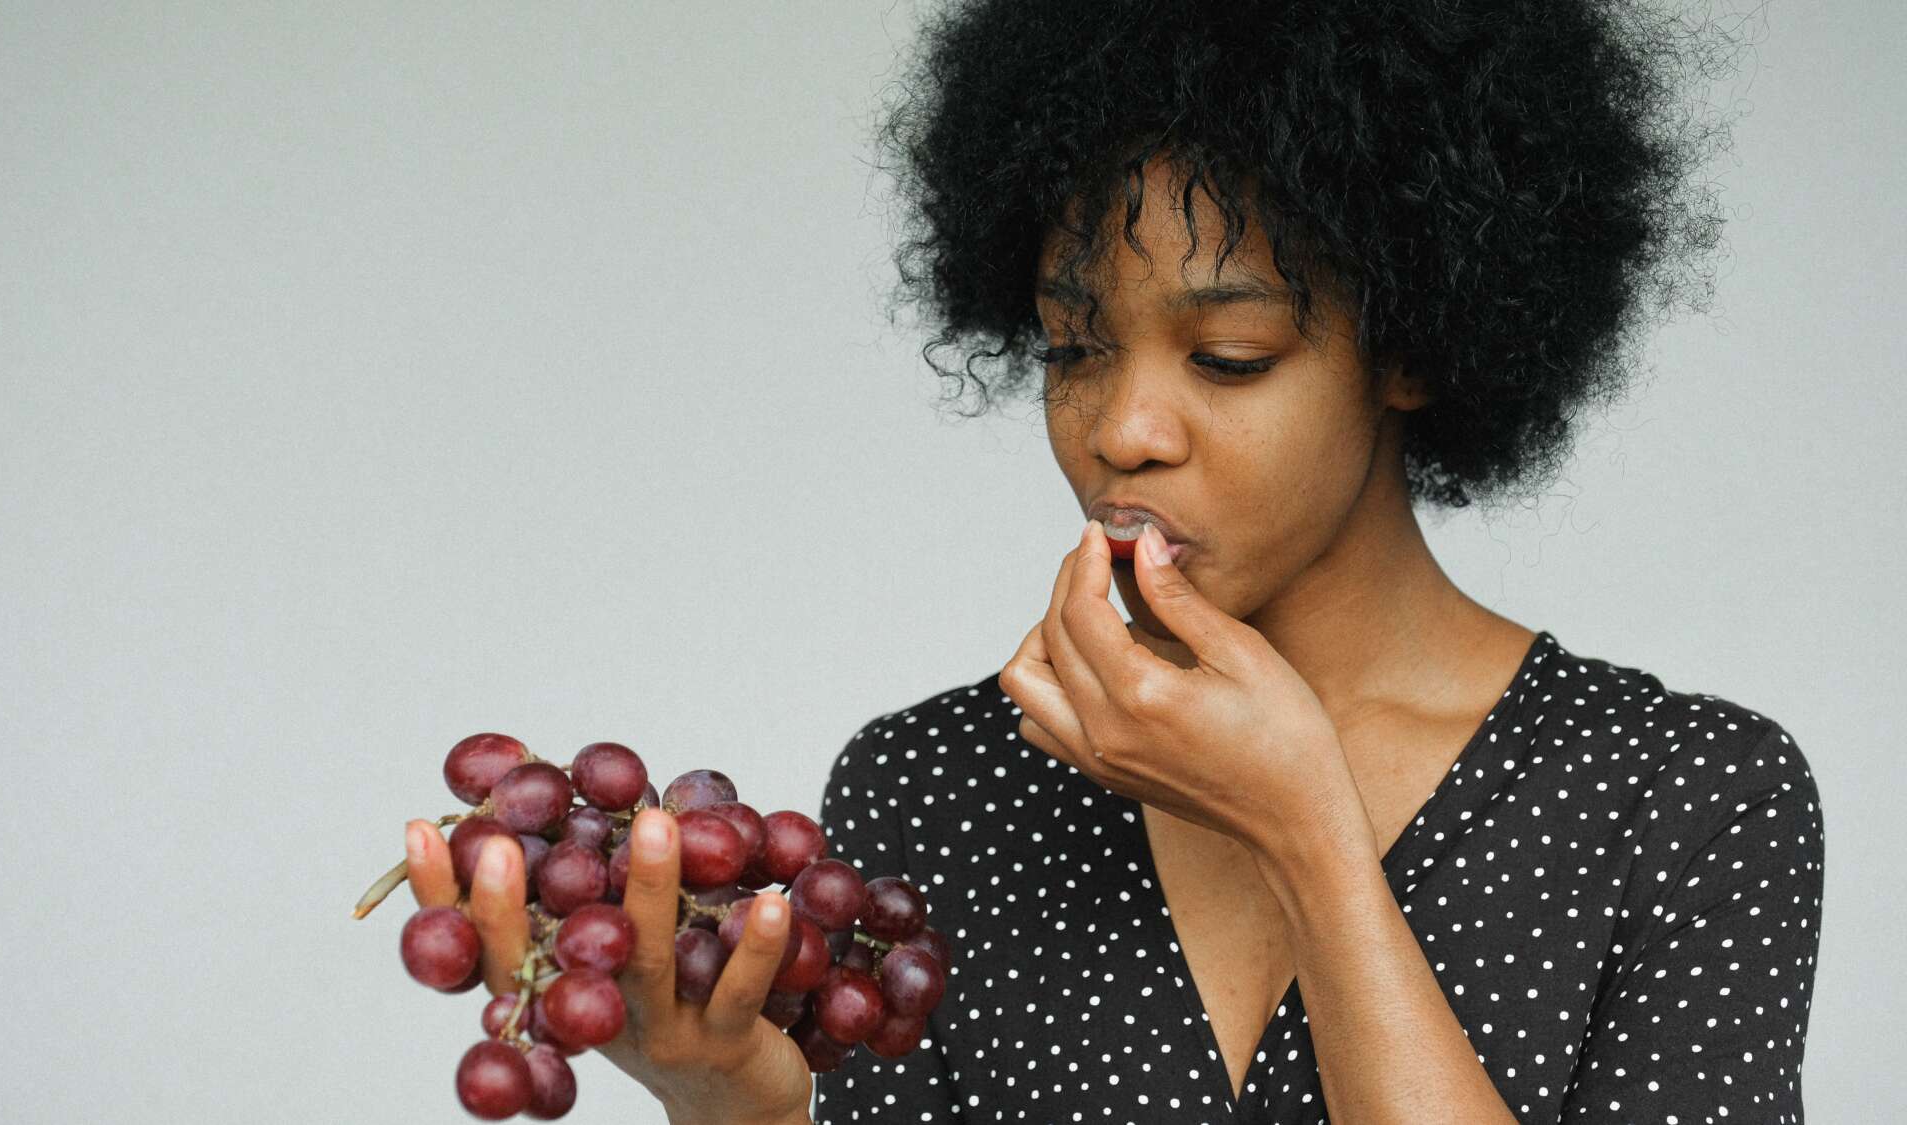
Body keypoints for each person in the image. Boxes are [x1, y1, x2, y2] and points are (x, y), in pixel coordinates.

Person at [406, 1, 1824, 1122]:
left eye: (1229, 354)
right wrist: (742, 1115)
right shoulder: (935, 788)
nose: (1122, 431)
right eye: (1076, 347)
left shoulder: (1687, 799)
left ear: (1410, 344)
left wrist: (1309, 841)